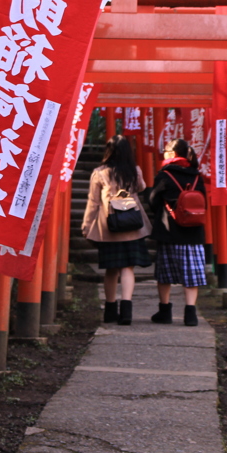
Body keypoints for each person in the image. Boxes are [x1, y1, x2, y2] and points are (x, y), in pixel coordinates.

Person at [81, 135, 152, 325]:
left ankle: (110, 310)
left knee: (111, 270)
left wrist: (87, 225)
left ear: (109, 151)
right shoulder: (134, 170)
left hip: (110, 226)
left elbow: (93, 202)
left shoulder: (100, 173)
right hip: (131, 225)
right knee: (128, 268)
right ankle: (126, 310)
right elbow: (142, 187)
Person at [148, 139, 208, 326]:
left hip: (170, 231)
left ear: (173, 154)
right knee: (192, 275)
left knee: (165, 274)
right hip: (193, 231)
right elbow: (203, 201)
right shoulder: (196, 175)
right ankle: (190, 313)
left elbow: (153, 201)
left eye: (166, 150)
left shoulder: (165, 175)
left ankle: (165, 311)